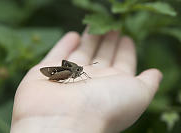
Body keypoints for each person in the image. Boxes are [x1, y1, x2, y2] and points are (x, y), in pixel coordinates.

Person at [10, 29, 162, 133]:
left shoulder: (77, 71)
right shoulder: (72, 71)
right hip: (56, 75)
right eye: (80, 71)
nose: (81, 72)